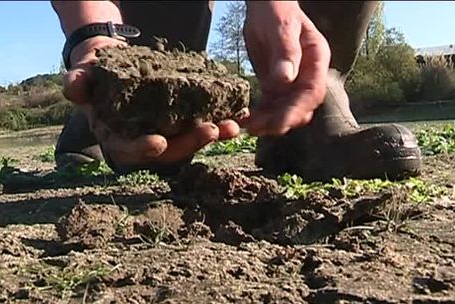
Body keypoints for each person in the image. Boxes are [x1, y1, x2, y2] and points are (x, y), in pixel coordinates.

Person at [50, 0, 422, 182]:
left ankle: (316, 86)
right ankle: (105, 96)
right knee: (154, 47)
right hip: (128, 35)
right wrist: (94, 34)